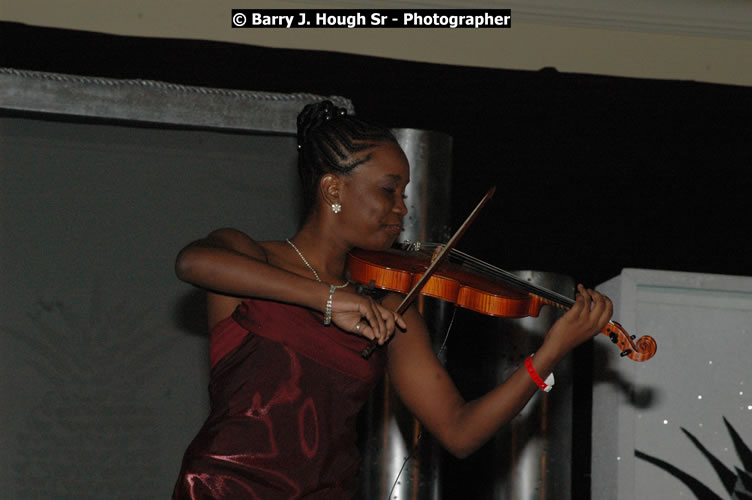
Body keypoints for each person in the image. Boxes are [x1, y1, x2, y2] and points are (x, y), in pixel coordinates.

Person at [171, 101, 613, 499]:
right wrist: (328, 299)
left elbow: (459, 431)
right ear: (333, 190)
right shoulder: (251, 258)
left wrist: (551, 352)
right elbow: (193, 262)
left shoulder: (389, 310)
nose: (402, 210)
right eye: (388, 190)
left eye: (404, 195)